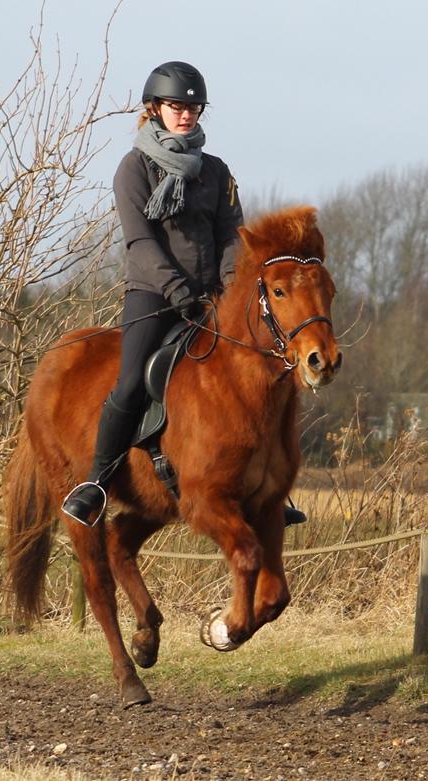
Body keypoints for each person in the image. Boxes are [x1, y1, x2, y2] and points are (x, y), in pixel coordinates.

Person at [61, 61, 306, 529]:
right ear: (155, 108)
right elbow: (140, 241)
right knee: (131, 382)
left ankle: (271, 485)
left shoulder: (215, 172)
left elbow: (231, 236)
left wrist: (230, 286)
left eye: (193, 108)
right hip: (153, 294)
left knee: (262, 368)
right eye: (177, 107)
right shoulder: (134, 168)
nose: (186, 115)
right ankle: (96, 482)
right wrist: (176, 289)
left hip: (212, 296)